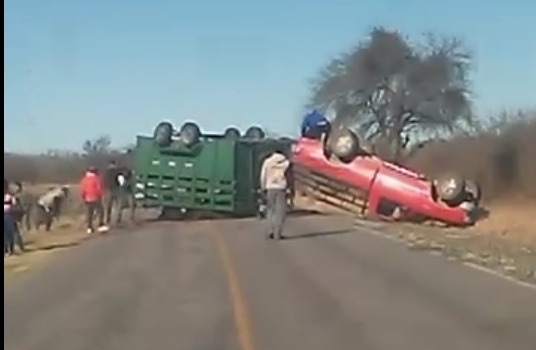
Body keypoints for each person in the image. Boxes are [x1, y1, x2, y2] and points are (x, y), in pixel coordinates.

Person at [260, 146, 291, 240]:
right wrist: (291, 190)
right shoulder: (287, 163)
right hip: (282, 188)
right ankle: (277, 234)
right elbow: (290, 177)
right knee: (280, 212)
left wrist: (263, 187)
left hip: (270, 187)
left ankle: (270, 231)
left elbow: (263, 175)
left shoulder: (267, 162)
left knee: (270, 210)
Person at [103, 160, 135, 225]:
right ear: (114, 164)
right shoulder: (117, 171)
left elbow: (104, 181)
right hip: (116, 189)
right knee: (118, 204)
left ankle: (107, 219)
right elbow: (124, 174)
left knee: (109, 206)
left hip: (109, 190)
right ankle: (118, 218)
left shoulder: (106, 172)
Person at [80, 166, 108, 234]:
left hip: (87, 198)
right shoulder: (96, 179)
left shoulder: (84, 179)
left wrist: (83, 197)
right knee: (101, 211)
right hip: (96, 197)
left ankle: (89, 227)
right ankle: (100, 225)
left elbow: (82, 190)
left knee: (89, 213)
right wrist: (101, 195)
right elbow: (99, 188)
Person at [4, 180, 25, 255]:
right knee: (5, 234)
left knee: (10, 233)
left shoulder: (10, 197)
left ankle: (11, 249)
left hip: (9, 215)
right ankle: (6, 249)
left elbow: (15, 205)